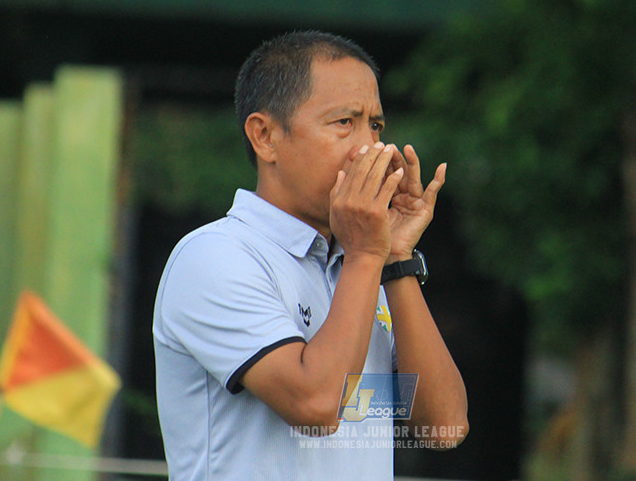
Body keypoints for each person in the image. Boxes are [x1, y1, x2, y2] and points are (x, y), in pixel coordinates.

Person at [153, 31, 468, 480]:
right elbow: (317, 407)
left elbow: (444, 427)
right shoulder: (215, 256)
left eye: (375, 125)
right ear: (265, 137)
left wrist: (396, 258)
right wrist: (366, 256)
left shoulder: (362, 262)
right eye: (344, 122)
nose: (370, 148)